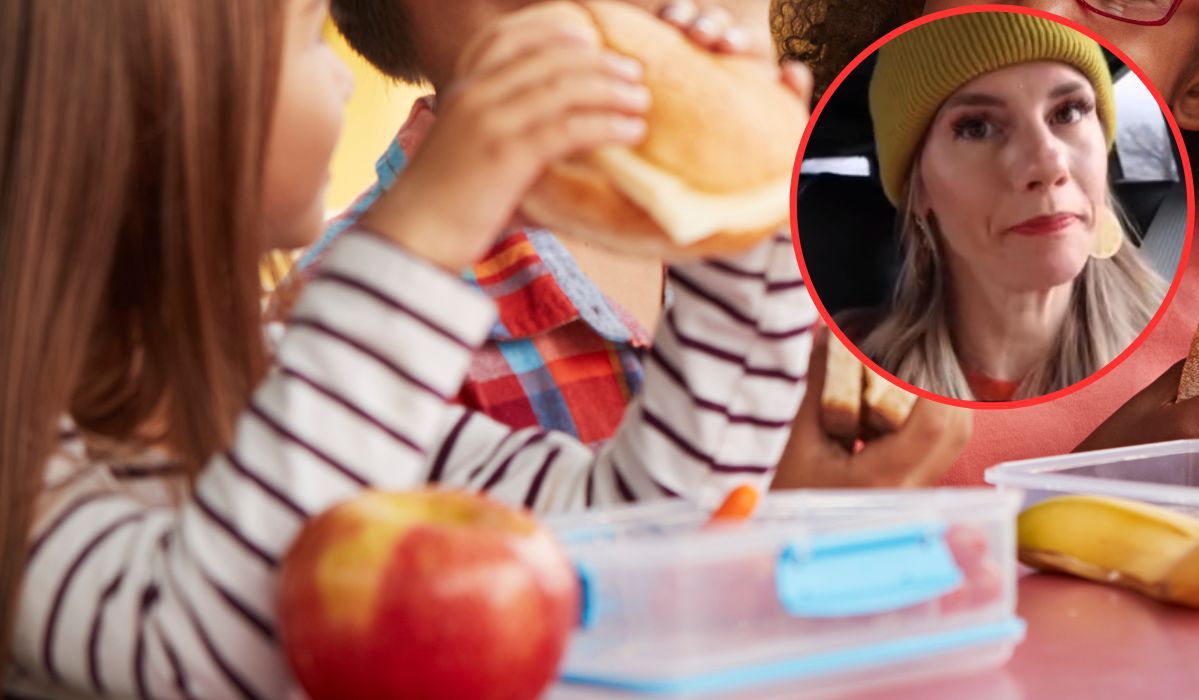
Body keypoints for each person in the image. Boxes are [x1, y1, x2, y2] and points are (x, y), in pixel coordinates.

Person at [0, 0, 819, 696]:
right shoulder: (24, 469)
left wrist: (737, 216)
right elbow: (203, 651)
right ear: (157, 110)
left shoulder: (291, 386)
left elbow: (651, 534)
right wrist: (423, 231)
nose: (345, 76)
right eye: (310, 39)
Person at [850, 11, 1166, 401]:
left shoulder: (1180, 346)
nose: (1049, 165)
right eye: (976, 127)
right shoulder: (845, 378)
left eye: (1068, 112)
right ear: (919, 189)